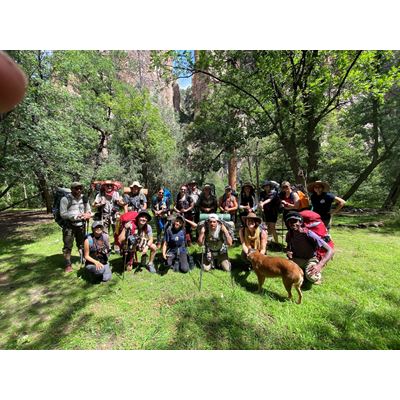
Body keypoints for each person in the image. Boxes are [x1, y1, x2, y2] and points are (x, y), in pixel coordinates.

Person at [285, 211, 334, 285]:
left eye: (295, 221)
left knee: (312, 277)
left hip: (310, 259)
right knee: (284, 271)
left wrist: (319, 266)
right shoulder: (289, 234)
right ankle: (302, 270)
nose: (293, 224)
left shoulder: (309, 233)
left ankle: (313, 273)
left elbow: (330, 250)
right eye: (290, 222)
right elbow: (288, 246)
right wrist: (288, 251)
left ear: (300, 222)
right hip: (297, 259)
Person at [60, 182, 92, 273]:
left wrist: (87, 215)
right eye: (76, 188)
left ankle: (83, 259)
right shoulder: (65, 199)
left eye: (80, 188)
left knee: (82, 244)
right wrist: (75, 216)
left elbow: (88, 210)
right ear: (71, 189)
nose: (78, 190)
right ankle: (68, 264)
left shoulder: (84, 198)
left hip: (81, 225)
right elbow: (62, 214)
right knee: (67, 246)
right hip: (69, 226)